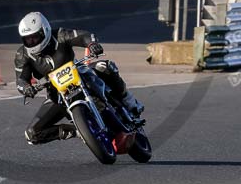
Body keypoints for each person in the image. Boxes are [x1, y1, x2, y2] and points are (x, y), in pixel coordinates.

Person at [15, 11, 144, 145]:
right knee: (32, 134)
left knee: (104, 66)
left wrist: (92, 44)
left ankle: (130, 103)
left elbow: (84, 36)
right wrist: (25, 88)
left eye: (35, 37)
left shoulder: (59, 35)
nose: (31, 42)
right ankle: (79, 130)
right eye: (27, 39)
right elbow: (20, 79)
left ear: (45, 30)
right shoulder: (22, 55)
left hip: (80, 74)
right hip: (57, 93)